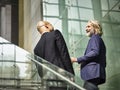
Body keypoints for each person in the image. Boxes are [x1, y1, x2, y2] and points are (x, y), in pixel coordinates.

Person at [71, 20, 106, 90]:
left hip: (92, 74)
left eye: (89, 26)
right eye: (86, 27)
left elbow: (95, 52)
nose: (86, 29)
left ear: (96, 28)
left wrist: (77, 59)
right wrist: (84, 65)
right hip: (94, 74)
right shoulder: (99, 40)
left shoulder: (95, 38)